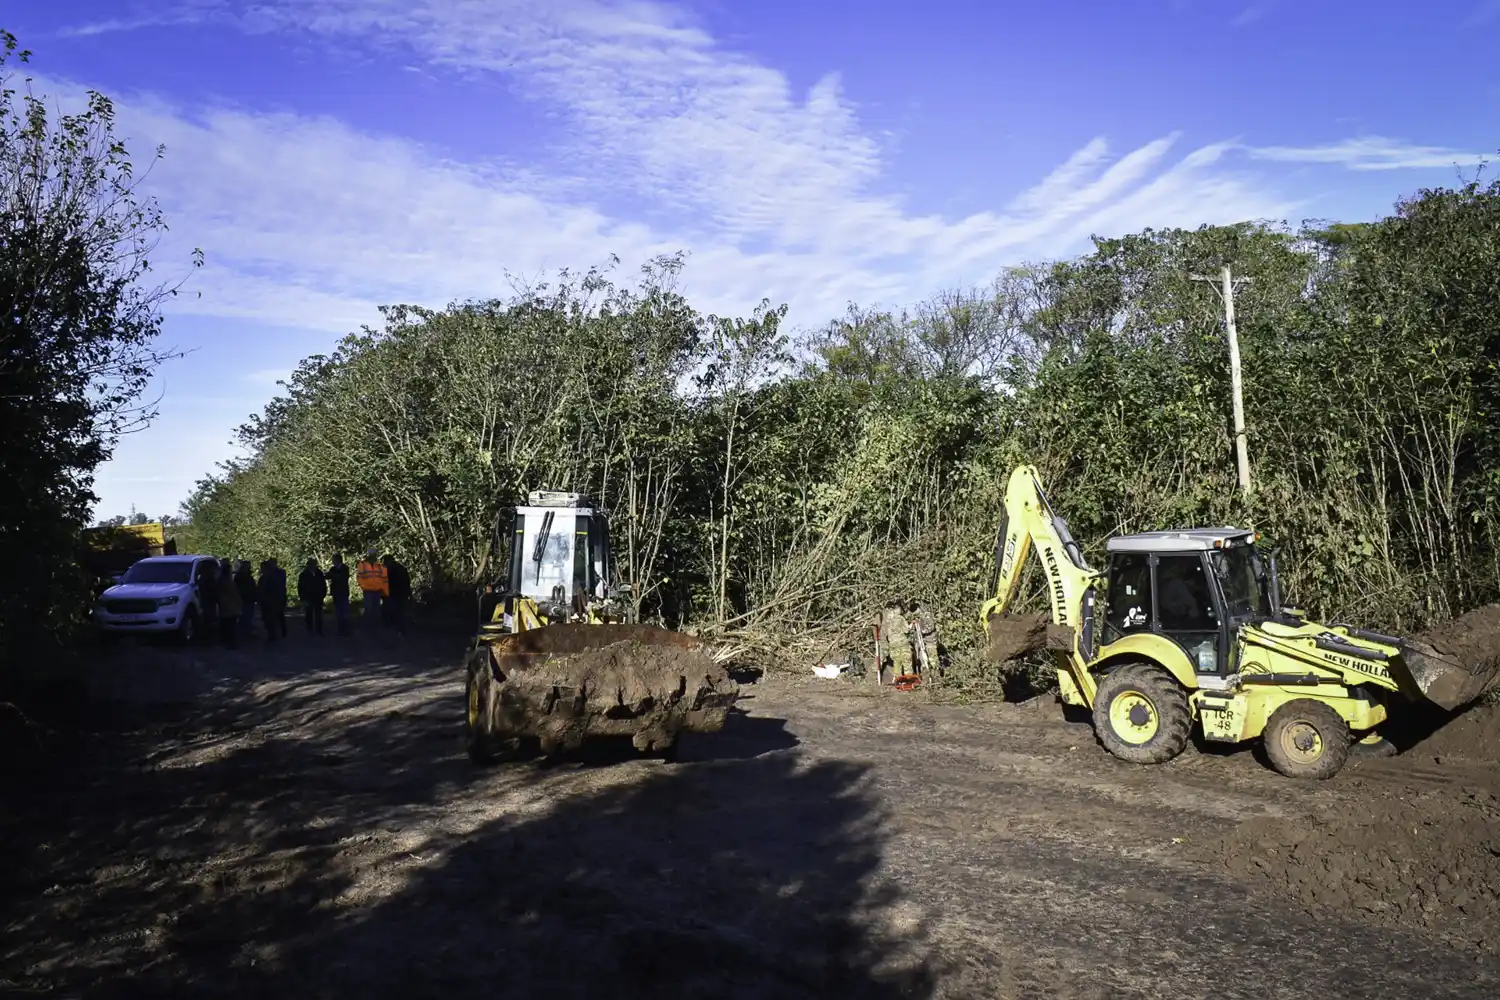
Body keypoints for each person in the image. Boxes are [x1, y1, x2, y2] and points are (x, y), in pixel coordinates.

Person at [878, 600, 913, 681]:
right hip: (902, 643)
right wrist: (911, 625)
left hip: (893, 644)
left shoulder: (888, 620)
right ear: (898, 609)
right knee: (906, 661)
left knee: (897, 662)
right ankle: (909, 679)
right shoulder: (900, 618)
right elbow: (906, 630)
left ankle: (898, 679)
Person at [356, 548, 388, 634]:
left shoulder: (379, 566)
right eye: (372, 555)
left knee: (376, 610)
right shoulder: (362, 565)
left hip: (377, 591)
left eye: (374, 555)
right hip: (368, 591)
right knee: (368, 610)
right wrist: (364, 587)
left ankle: (375, 629)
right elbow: (359, 577)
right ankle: (367, 628)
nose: (374, 556)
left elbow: (384, 579)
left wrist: (384, 591)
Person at [258, 557, 288, 641]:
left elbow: (279, 586)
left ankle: (276, 633)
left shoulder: (278, 574)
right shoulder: (264, 577)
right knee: (269, 618)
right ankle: (273, 633)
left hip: (274, 599)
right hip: (267, 600)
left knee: (276, 616)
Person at [382, 553, 411, 637]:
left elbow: (387, 584)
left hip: (393, 595)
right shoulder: (401, 568)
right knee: (400, 613)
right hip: (402, 594)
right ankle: (402, 631)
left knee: (394, 614)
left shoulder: (390, 570)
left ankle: (396, 632)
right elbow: (407, 581)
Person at [216, 558, 242, 648]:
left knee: (226, 625)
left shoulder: (221, 581)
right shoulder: (228, 583)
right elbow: (234, 594)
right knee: (230, 626)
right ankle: (230, 643)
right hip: (230, 607)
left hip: (225, 607)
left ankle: (226, 643)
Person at [298, 557, 328, 636]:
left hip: (318, 597)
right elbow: (300, 587)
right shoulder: (303, 575)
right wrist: (302, 598)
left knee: (318, 614)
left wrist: (323, 594)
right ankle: (309, 630)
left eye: (314, 564)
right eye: (311, 564)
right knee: (309, 614)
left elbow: (323, 585)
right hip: (308, 597)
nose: (312, 566)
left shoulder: (319, 573)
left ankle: (319, 630)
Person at [326, 552, 352, 637]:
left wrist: (333, 575)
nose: (332, 561)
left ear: (337, 560)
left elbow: (342, 578)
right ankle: (340, 631)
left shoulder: (345, 568)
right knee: (338, 613)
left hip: (343, 592)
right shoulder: (333, 568)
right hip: (336, 593)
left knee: (345, 612)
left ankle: (346, 631)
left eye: (333, 559)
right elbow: (328, 576)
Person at [234, 560, 258, 637]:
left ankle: (246, 631)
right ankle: (245, 631)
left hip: (248, 598)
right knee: (246, 615)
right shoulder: (241, 577)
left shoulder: (246, 576)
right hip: (245, 598)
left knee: (247, 615)